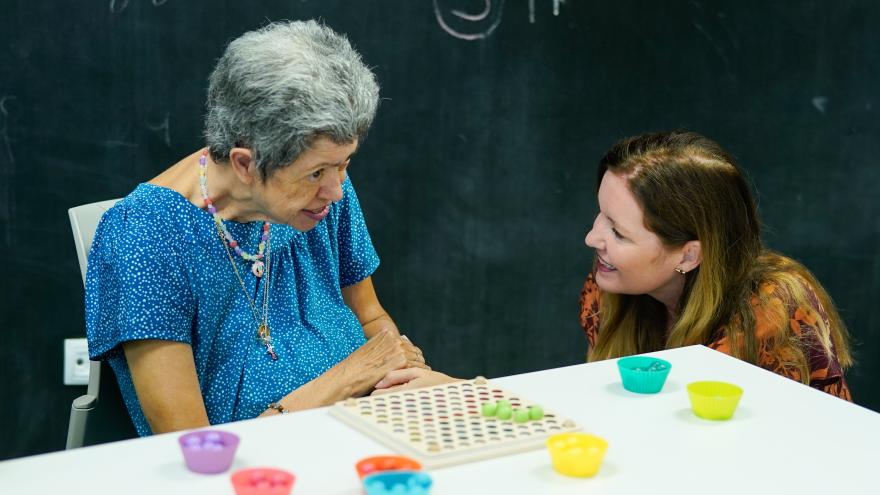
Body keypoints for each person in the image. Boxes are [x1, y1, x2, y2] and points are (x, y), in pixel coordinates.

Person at [85, 20, 429, 436]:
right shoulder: (145, 237)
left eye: (345, 163)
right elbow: (192, 443)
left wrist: (408, 383)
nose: (336, 190)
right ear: (246, 164)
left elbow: (372, 320)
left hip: (363, 427)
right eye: (317, 172)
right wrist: (349, 377)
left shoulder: (317, 196)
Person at [579, 131, 853, 399]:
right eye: (601, 215)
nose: (592, 238)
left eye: (618, 232)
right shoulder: (609, 291)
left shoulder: (773, 310)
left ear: (688, 256)